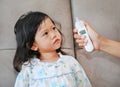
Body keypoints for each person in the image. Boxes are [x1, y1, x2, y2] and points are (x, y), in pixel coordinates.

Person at [13, 11, 92, 87]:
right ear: (33, 45)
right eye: (45, 33)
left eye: (53, 28)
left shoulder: (70, 62)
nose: (54, 34)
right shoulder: (28, 70)